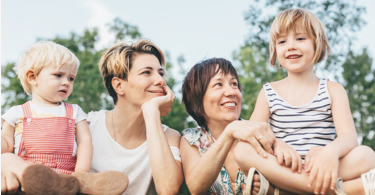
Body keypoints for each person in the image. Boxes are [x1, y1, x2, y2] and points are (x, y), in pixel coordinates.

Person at [234, 8, 375, 195]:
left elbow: (349, 137)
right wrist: (277, 144)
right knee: (242, 149)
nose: (291, 46)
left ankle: (284, 190)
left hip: (321, 166)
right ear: (275, 51)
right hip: (281, 167)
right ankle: (339, 190)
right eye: (282, 41)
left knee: (366, 156)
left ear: (318, 45)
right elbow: (254, 135)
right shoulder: (268, 92)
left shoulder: (333, 90)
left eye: (300, 39)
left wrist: (329, 152)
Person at [1, 41, 128, 195]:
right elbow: (6, 145)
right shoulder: (17, 112)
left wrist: (81, 172)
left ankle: (84, 182)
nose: (66, 82)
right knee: (7, 158)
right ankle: (35, 181)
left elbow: (85, 142)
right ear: (32, 77)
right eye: (58, 75)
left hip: (65, 177)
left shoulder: (74, 111)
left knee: (77, 178)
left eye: (71, 78)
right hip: (29, 177)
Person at [88, 39, 183, 195]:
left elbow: (168, 189)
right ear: (119, 85)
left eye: (160, 73)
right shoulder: (88, 125)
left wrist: (152, 112)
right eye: (147, 72)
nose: (161, 80)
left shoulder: (170, 137)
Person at [180, 58, 277, 195]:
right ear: (198, 99)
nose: (231, 92)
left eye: (234, 84)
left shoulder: (260, 131)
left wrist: (269, 190)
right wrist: (229, 132)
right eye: (218, 84)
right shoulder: (191, 139)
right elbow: (196, 187)